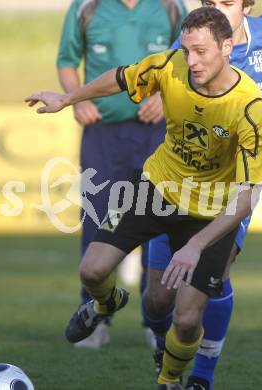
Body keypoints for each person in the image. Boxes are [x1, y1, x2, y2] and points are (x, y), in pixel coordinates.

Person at [26, 7, 262, 389]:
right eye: (187, 50)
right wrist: (68, 97)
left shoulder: (248, 106)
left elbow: (246, 198)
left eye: (201, 52)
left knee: (187, 317)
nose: (191, 61)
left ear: (227, 47)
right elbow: (120, 78)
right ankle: (106, 305)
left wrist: (196, 245)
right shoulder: (170, 66)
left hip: (211, 214)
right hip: (157, 188)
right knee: (92, 271)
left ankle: (169, 378)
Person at [142, 1, 262, 389]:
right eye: (209, 2)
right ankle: (160, 342)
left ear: (247, 6)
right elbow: (164, 72)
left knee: (216, 275)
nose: (216, 9)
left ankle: (202, 377)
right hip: (181, 180)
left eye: (226, 3)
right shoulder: (190, 42)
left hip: (235, 182)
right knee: (157, 297)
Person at [57, 0, 187, 348]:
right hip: (103, 134)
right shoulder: (86, 8)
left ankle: (156, 319)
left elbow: (191, 61)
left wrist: (165, 95)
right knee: (96, 219)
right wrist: (77, 99)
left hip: (159, 133)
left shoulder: (172, 7)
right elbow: (67, 62)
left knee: (160, 225)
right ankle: (95, 315)